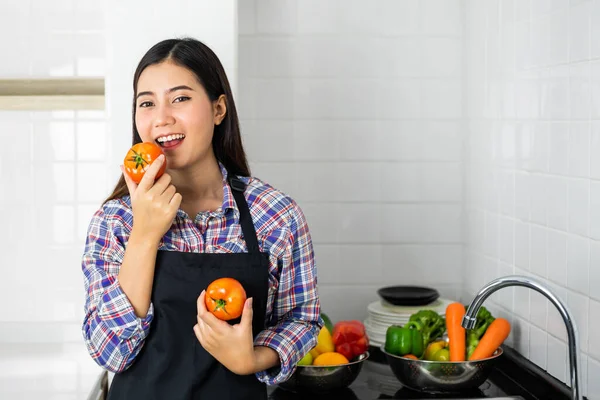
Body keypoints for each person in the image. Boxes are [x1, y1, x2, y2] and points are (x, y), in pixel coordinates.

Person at [80, 37, 322, 400]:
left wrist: (253, 358)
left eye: (180, 98)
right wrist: (144, 234)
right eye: (146, 103)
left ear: (218, 109)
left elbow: (301, 319)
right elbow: (110, 351)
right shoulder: (115, 222)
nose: (162, 118)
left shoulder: (275, 214)